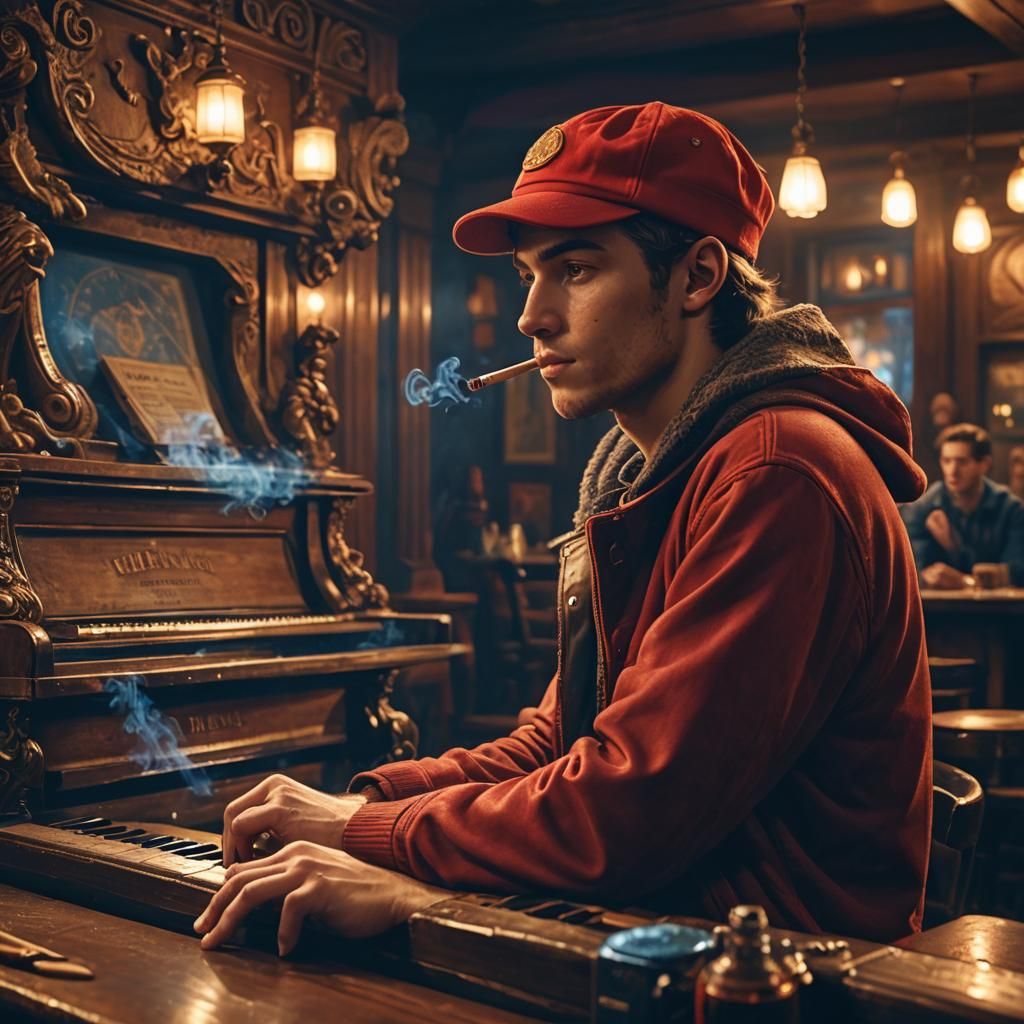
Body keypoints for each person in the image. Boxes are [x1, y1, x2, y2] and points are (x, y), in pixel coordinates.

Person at [195, 102, 932, 956]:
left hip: (773, 978)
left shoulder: (778, 470)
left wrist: (376, 843)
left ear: (696, 277)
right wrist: (361, 808)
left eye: (575, 269)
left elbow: (626, 811)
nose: (532, 316)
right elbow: (563, 740)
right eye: (528, 276)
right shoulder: (649, 472)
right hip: (644, 931)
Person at [902, 423, 1024, 589]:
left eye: (962, 462)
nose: (952, 470)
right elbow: (916, 572)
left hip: (998, 611)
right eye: (946, 461)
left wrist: (957, 554)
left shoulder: (1010, 509)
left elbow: (1017, 571)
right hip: (937, 611)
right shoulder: (923, 508)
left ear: (984, 464)